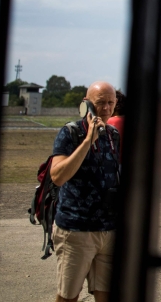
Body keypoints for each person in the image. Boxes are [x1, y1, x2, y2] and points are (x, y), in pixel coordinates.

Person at [49, 81, 121, 302]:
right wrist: (88, 141)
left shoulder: (113, 134)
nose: (106, 108)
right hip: (76, 229)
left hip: (108, 229)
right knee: (69, 296)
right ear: (86, 104)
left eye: (111, 103)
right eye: (100, 103)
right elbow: (57, 176)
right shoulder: (70, 133)